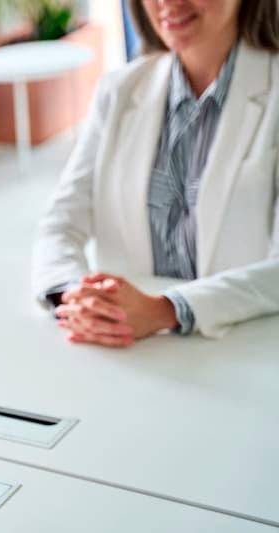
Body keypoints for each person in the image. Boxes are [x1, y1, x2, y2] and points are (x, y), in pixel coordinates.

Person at [33, 0, 279, 347]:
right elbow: (60, 225)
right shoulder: (118, 90)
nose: (168, 3)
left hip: (243, 356)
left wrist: (166, 309)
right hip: (130, 355)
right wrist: (75, 296)